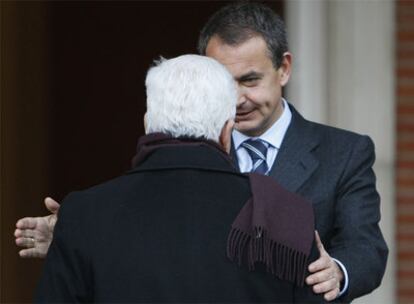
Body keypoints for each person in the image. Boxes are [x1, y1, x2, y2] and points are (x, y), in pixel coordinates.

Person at [15, 2, 388, 303]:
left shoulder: (345, 152)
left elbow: (366, 246)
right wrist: (84, 238)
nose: (238, 98)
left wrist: (336, 272)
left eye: (251, 80)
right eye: (225, 82)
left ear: (284, 69)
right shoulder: (171, 146)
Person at [34, 54, 324, 302]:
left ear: (147, 124)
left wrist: (76, 234)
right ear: (227, 133)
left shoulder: (83, 215)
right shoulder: (286, 215)